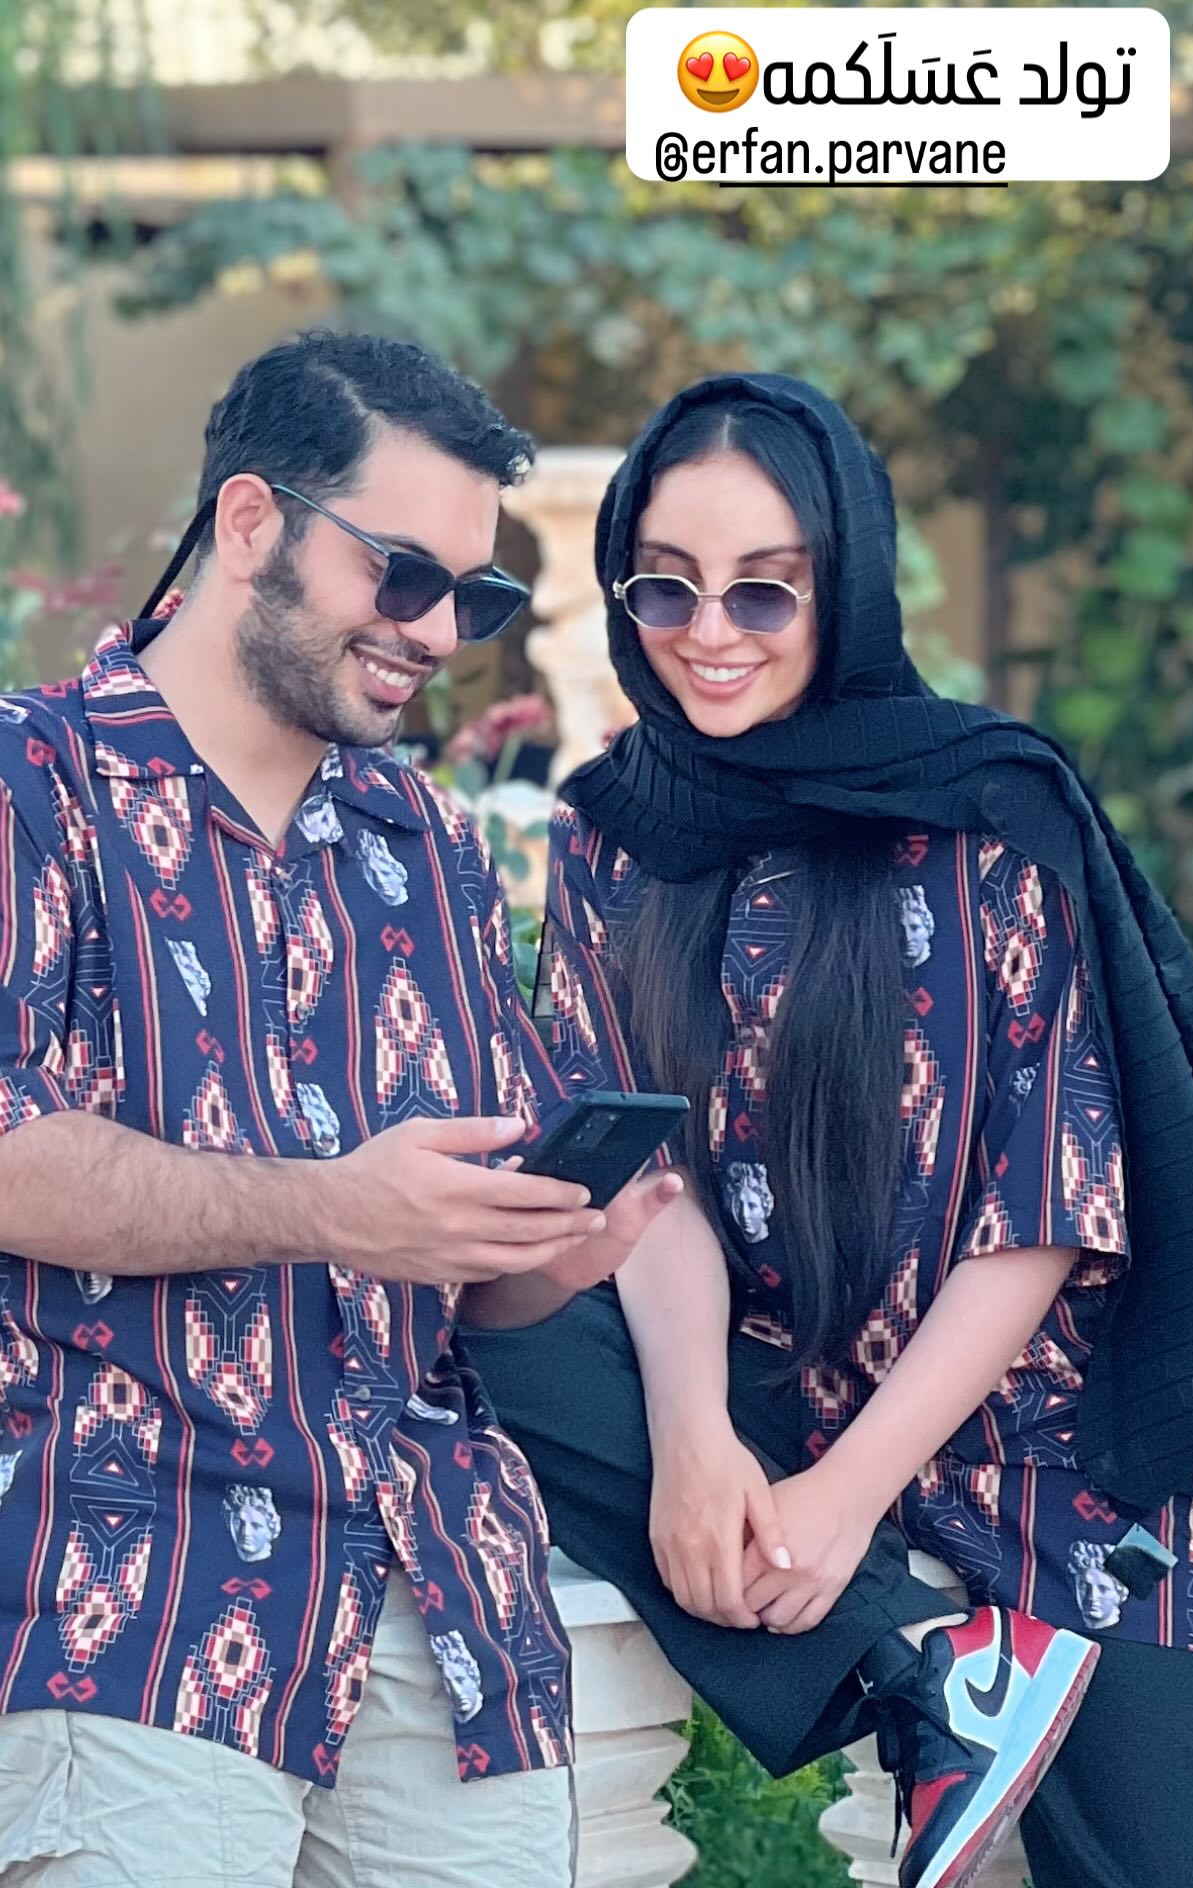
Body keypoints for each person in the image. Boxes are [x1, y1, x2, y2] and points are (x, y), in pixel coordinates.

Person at [463, 372, 1193, 1888]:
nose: (709, 633)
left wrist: (850, 1491)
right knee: (495, 1317)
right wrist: (689, 1440)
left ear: (843, 585)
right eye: (664, 587)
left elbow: (1044, 1213)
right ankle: (916, 1677)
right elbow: (648, 1179)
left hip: (1037, 1439)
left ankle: (982, 1661)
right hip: (772, 1389)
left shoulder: (985, 811)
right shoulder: (614, 832)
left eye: (764, 590)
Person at [0, 329, 680, 1888]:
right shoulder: (31, 785)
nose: (436, 631)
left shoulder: (425, 844)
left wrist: (554, 1246)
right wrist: (329, 1207)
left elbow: (459, 1276)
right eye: (402, 574)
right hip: (135, 1587)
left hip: (440, 1599)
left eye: (473, 596)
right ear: (250, 523)